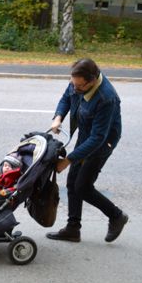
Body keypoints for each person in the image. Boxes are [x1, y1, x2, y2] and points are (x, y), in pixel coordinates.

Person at [46, 58, 128, 243]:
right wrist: (58, 117)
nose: (75, 88)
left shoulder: (106, 98)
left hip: (102, 143)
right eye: (73, 84)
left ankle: (116, 216)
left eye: (80, 86)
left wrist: (68, 160)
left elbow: (98, 138)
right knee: (72, 182)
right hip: (86, 136)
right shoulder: (78, 81)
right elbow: (66, 98)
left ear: (91, 81)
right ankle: (73, 229)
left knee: (82, 186)